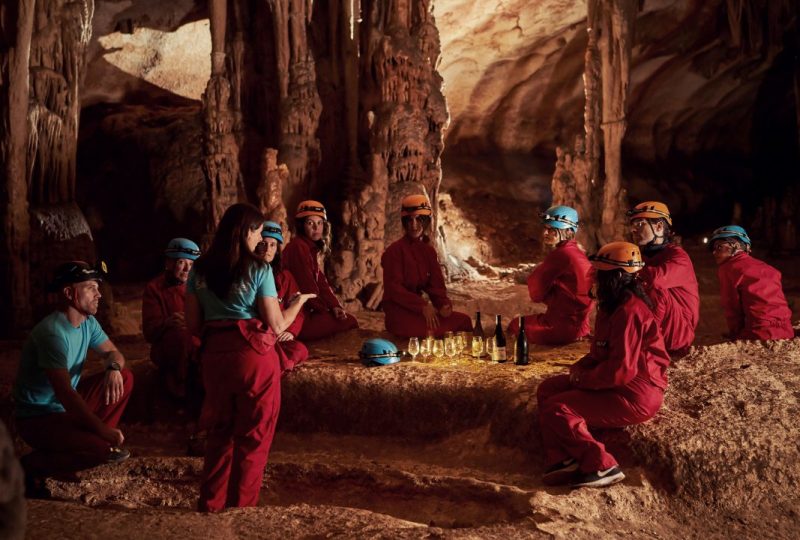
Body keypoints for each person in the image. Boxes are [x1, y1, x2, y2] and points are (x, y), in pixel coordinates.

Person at [185, 203, 314, 512]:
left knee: (220, 434)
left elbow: (193, 325)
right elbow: (278, 324)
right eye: (258, 231)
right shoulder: (258, 268)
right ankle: (241, 510)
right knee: (254, 438)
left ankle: (211, 506)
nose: (260, 238)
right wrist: (297, 303)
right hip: (253, 357)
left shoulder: (200, 269)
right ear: (245, 232)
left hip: (215, 358)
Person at [537, 242, 670, 488]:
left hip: (635, 393)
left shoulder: (629, 312)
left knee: (559, 407)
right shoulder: (613, 306)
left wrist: (581, 379)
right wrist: (579, 368)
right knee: (547, 389)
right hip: (619, 383)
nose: (595, 280)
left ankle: (602, 465)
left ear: (617, 277)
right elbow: (602, 351)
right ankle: (564, 459)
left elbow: (621, 371)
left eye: (600, 274)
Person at [12, 261, 134, 497]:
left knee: (124, 378)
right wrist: (102, 430)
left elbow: (114, 353)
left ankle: (82, 445)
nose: (99, 294)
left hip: (62, 409)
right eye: (90, 287)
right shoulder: (52, 334)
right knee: (100, 451)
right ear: (69, 293)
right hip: (39, 417)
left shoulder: (88, 322)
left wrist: (113, 367)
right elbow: (65, 393)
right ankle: (28, 467)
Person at [381, 194, 472, 338]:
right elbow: (394, 289)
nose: (414, 225)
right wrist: (422, 306)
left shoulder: (428, 251)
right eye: (409, 220)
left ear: (426, 221)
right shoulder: (394, 251)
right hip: (400, 314)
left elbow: (435, 286)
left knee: (464, 321)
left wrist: (443, 305)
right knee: (435, 333)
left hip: (420, 311)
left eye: (419, 219)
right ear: (404, 222)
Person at [507, 205, 594, 344]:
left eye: (552, 230)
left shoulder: (561, 254)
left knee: (515, 325)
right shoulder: (578, 253)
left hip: (560, 328)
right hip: (581, 327)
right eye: (546, 228)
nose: (545, 233)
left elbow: (536, 292)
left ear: (568, 231)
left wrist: (548, 294)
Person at [627, 201, 699, 355]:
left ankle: (646, 343)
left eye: (640, 224)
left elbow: (655, 279)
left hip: (678, 334)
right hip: (659, 328)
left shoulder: (679, 257)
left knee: (655, 288)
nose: (633, 229)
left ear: (659, 227)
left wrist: (623, 266)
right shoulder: (643, 256)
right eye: (633, 224)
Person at [281, 200, 359, 340]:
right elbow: (307, 288)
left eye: (320, 223)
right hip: (296, 316)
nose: (316, 227)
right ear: (301, 226)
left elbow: (321, 282)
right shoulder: (298, 248)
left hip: (303, 311)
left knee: (344, 318)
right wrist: (326, 311)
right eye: (310, 223)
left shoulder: (308, 248)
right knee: (349, 322)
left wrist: (335, 306)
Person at [709, 225, 794, 341]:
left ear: (736, 246)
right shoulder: (769, 268)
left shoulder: (729, 268)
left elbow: (732, 307)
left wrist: (735, 335)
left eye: (719, 247)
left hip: (759, 333)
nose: (714, 252)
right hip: (786, 331)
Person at [142, 238, 202, 399]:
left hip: (199, 340)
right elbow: (149, 330)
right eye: (181, 262)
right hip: (171, 345)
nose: (187, 268)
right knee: (181, 338)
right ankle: (179, 393)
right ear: (169, 263)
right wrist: (168, 322)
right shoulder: (155, 288)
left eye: (192, 264)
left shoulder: (200, 286)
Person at [257, 220, 310, 372]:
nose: (267, 249)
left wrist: (291, 331)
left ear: (277, 249)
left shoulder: (285, 277)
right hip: (259, 332)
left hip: (279, 333)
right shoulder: (247, 274)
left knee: (299, 350)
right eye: (263, 243)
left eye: (273, 245)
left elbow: (298, 311)